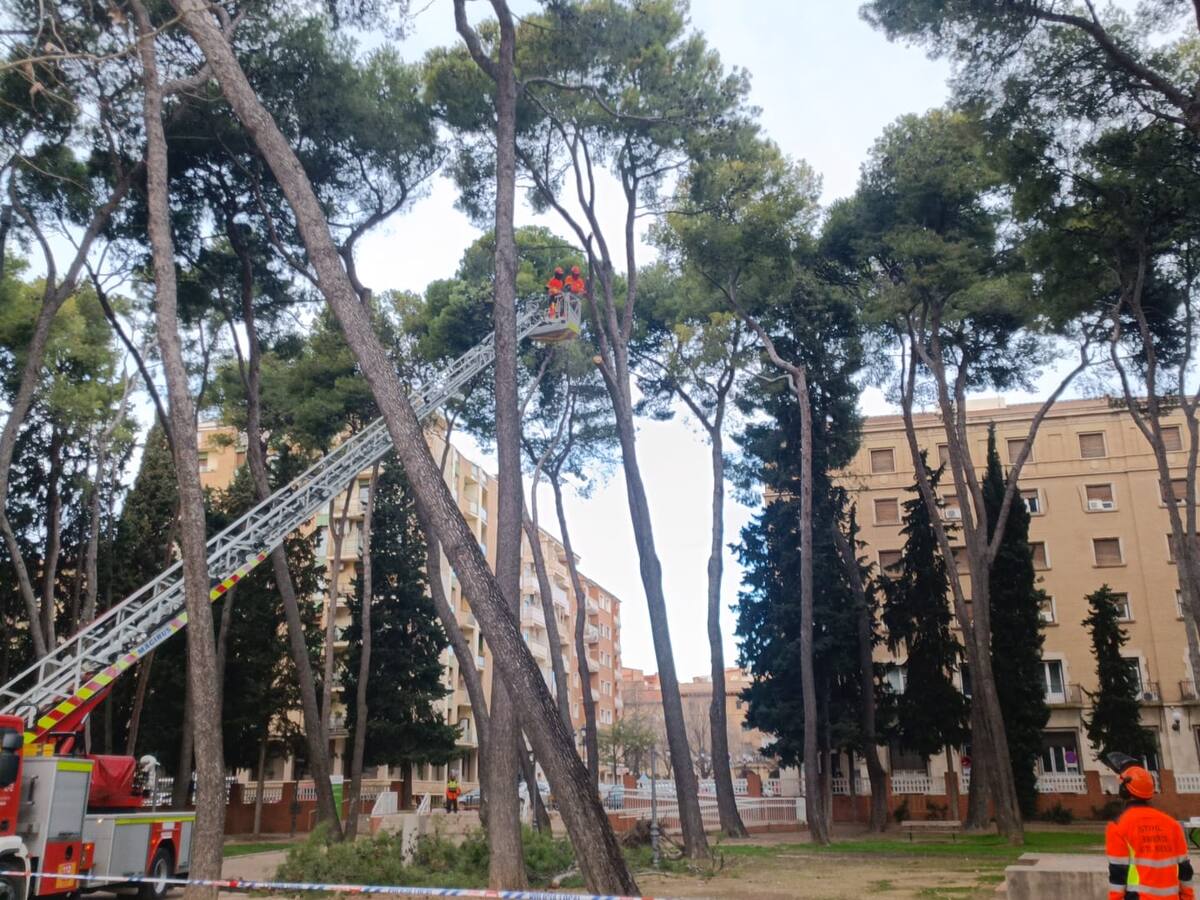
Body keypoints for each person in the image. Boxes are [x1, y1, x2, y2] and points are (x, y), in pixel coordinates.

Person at [1104, 753, 1194, 900]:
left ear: (1124, 791)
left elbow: (1118, 874)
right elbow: (1185, 871)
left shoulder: (1118, 827)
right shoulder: (1172, 825)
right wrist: (1187, 897)